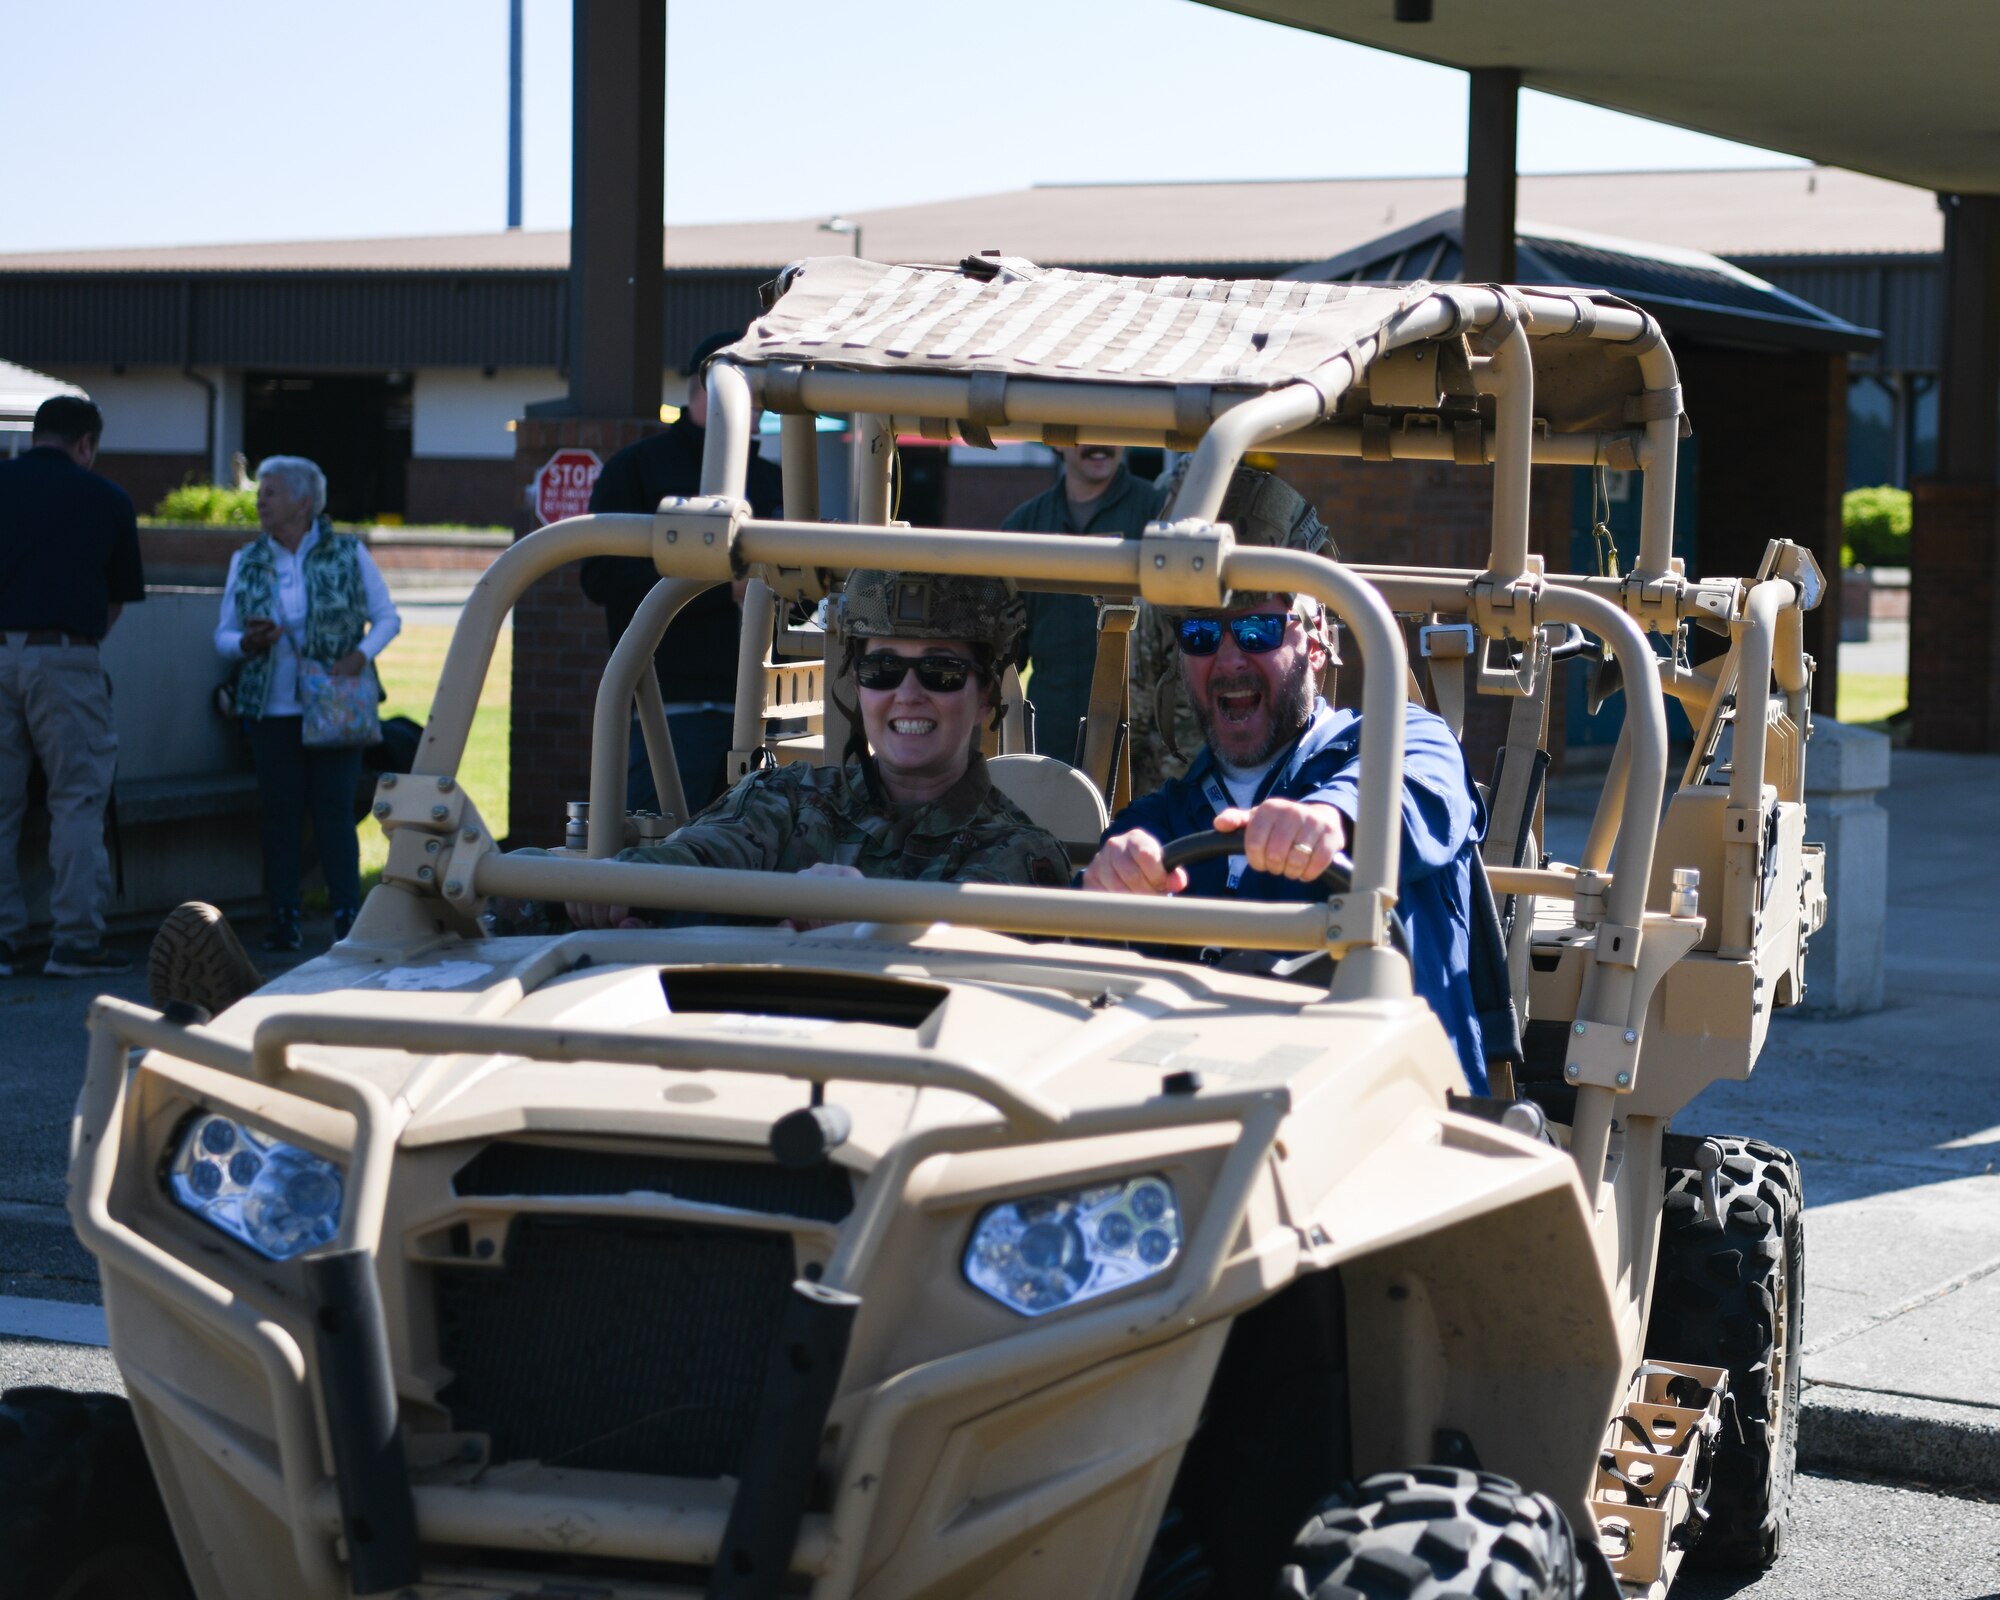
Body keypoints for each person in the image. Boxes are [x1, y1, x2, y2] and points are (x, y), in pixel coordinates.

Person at [1080, 467, 1493, 1093]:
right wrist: (1110, 881)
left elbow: (1405, 791)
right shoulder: (1164, 820)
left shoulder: (1400, 741)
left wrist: (1330, 819)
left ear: (1319, 640)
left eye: (1256, 629)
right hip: (1211, 1135)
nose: (1227, 658)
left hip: (1402, 1126)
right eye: (1199, 634)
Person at [565, 570, 1070, 930]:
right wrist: (619, 888)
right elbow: (697, 858)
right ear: (859, 688)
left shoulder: (1021, 854)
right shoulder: (784, 800)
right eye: (883, 670)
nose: (909, 694)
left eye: (942, 672)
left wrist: (864, 913)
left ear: (985, 698)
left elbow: (967, 951)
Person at [581, 329, 784, 816]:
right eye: (744, 391)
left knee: (748, 860)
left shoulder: (774, 478)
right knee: (656, 854)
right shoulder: (637, 468)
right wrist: (722, 589)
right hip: (671, 702)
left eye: (760, 397)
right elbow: (601, 578)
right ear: (705, 387)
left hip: (767, 706)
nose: (753, 408)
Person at [215, 456, 401, 951]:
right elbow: (222, 637)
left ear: (303, 501)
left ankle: (347, 918)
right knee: (280, 813)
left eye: (270, 492)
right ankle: (284, 919)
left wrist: (359, 656)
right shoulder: (247, 559)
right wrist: (249, 644)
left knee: (334, 811)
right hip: (270, 708)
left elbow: (387, 618)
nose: (260, 502)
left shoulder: (347, 553)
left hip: (336, 704)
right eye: (260, 494)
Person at [0, 396, 146, 976]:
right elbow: (116, 600)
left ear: (37, 435)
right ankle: (76, 941)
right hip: (65, 658)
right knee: (78, 800)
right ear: (86, 443)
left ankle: (3, 941)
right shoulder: (107, 498)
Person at [1000, 445, 1163, 764]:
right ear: (1058, 440)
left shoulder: (1158, 515)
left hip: (1139, 744)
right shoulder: (1026, 524)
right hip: (1049, 741)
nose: (1098, 443)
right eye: (1083, 432)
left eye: (1110, 428)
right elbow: (1002, 654)